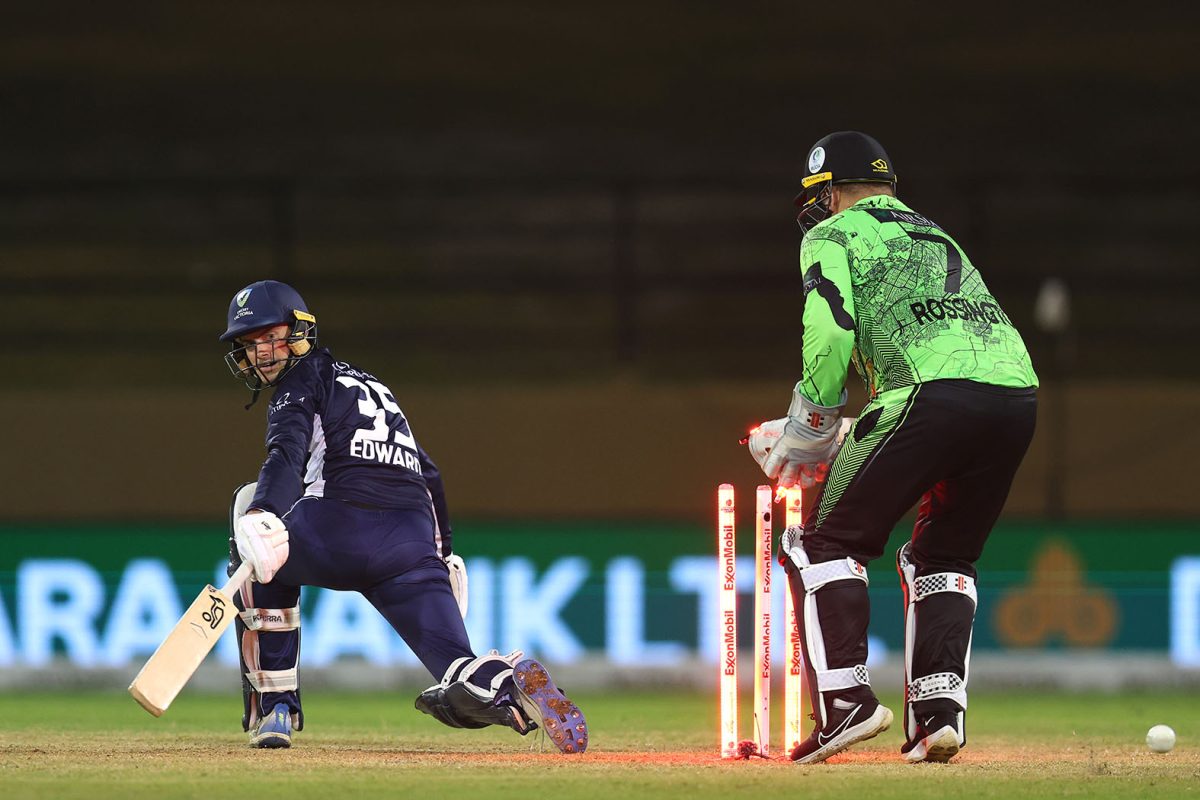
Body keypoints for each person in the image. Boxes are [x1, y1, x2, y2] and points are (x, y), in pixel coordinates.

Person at [746, 132, 1037, 764]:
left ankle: (847, 704)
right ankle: (938, 714)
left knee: (821, 544)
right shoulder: (937, 233)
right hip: (1016, 395)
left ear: (830, 191)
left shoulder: (833, 234)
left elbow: (829, 328)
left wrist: (814, 422)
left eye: (819, 195)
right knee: (944, 556)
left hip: (927, 394)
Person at [218, 279, 588, 753]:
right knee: (457, 667)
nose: (261, 354)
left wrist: (264, 511)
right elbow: (428, 471)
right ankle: (507, 684)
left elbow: (285, 453)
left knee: (254, 538)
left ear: (299, 333)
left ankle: (275, 708)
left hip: (336, 527)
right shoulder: (376, 387)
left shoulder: (302, 380)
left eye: (269, 337)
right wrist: (443, 553)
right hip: (411, 542)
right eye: (249, 345)